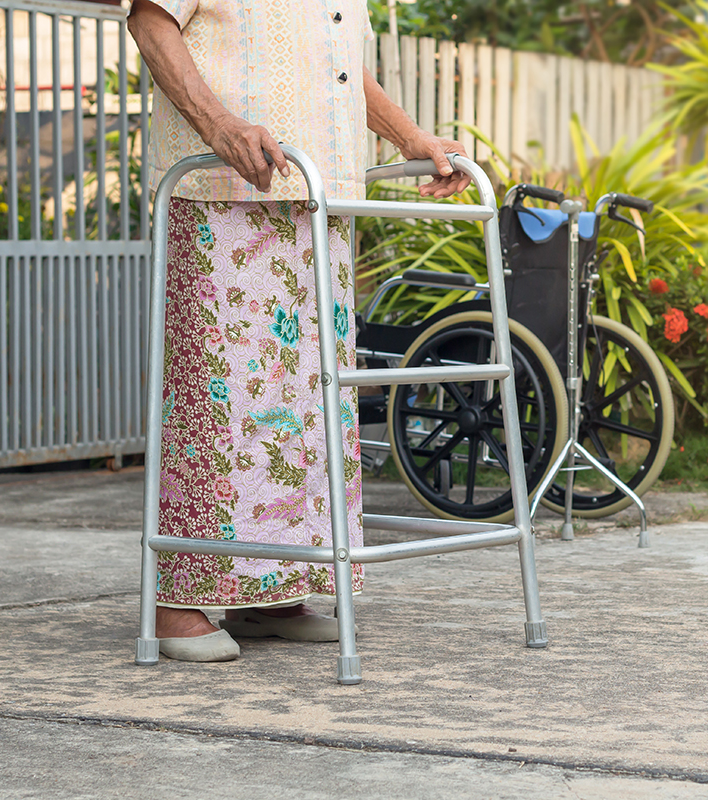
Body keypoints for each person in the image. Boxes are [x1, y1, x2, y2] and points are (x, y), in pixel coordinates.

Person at [128, 0, 469, 662]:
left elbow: (340, 69)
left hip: (316, 199)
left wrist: (410, 138)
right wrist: (220, 125)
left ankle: (275, 592)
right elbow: (150, 20)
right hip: (223, 194)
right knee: (217, 402)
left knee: (307, 406)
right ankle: (177, 602)